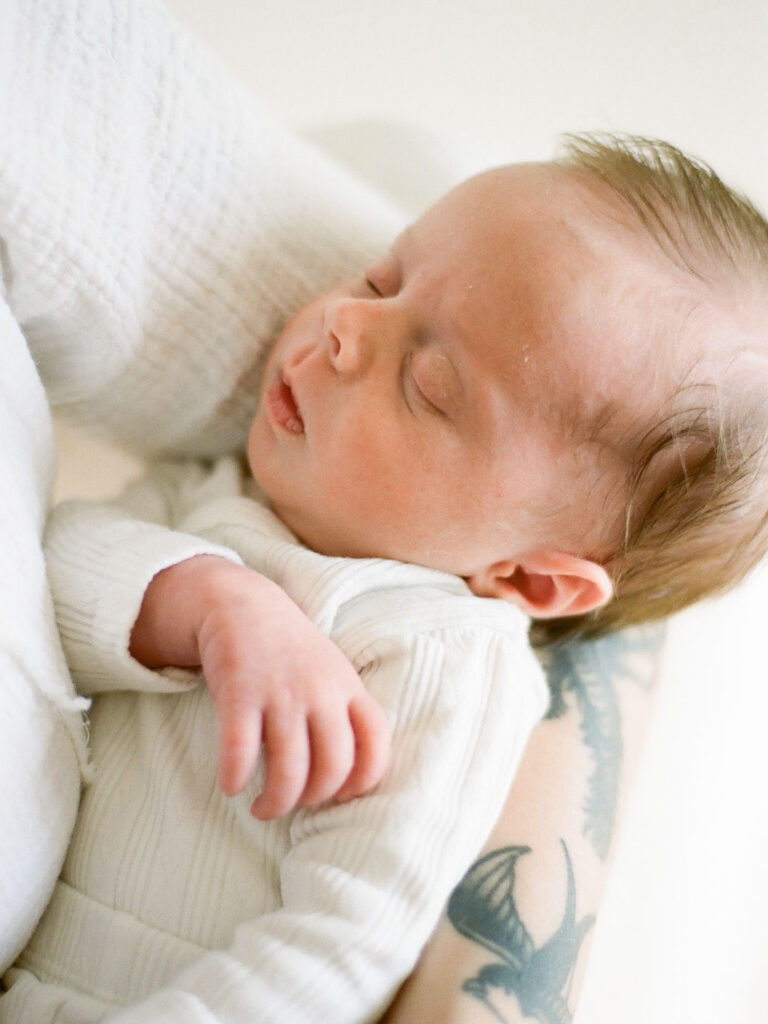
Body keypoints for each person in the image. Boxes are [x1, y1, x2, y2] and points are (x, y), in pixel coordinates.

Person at [4, 133, 768, 1023]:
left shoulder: (444, 665)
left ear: (529, 579)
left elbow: (340, 948)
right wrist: (211, 601)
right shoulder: (222, 495)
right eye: (379, 280)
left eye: (429, 385)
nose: (345, 325)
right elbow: (45, 568)